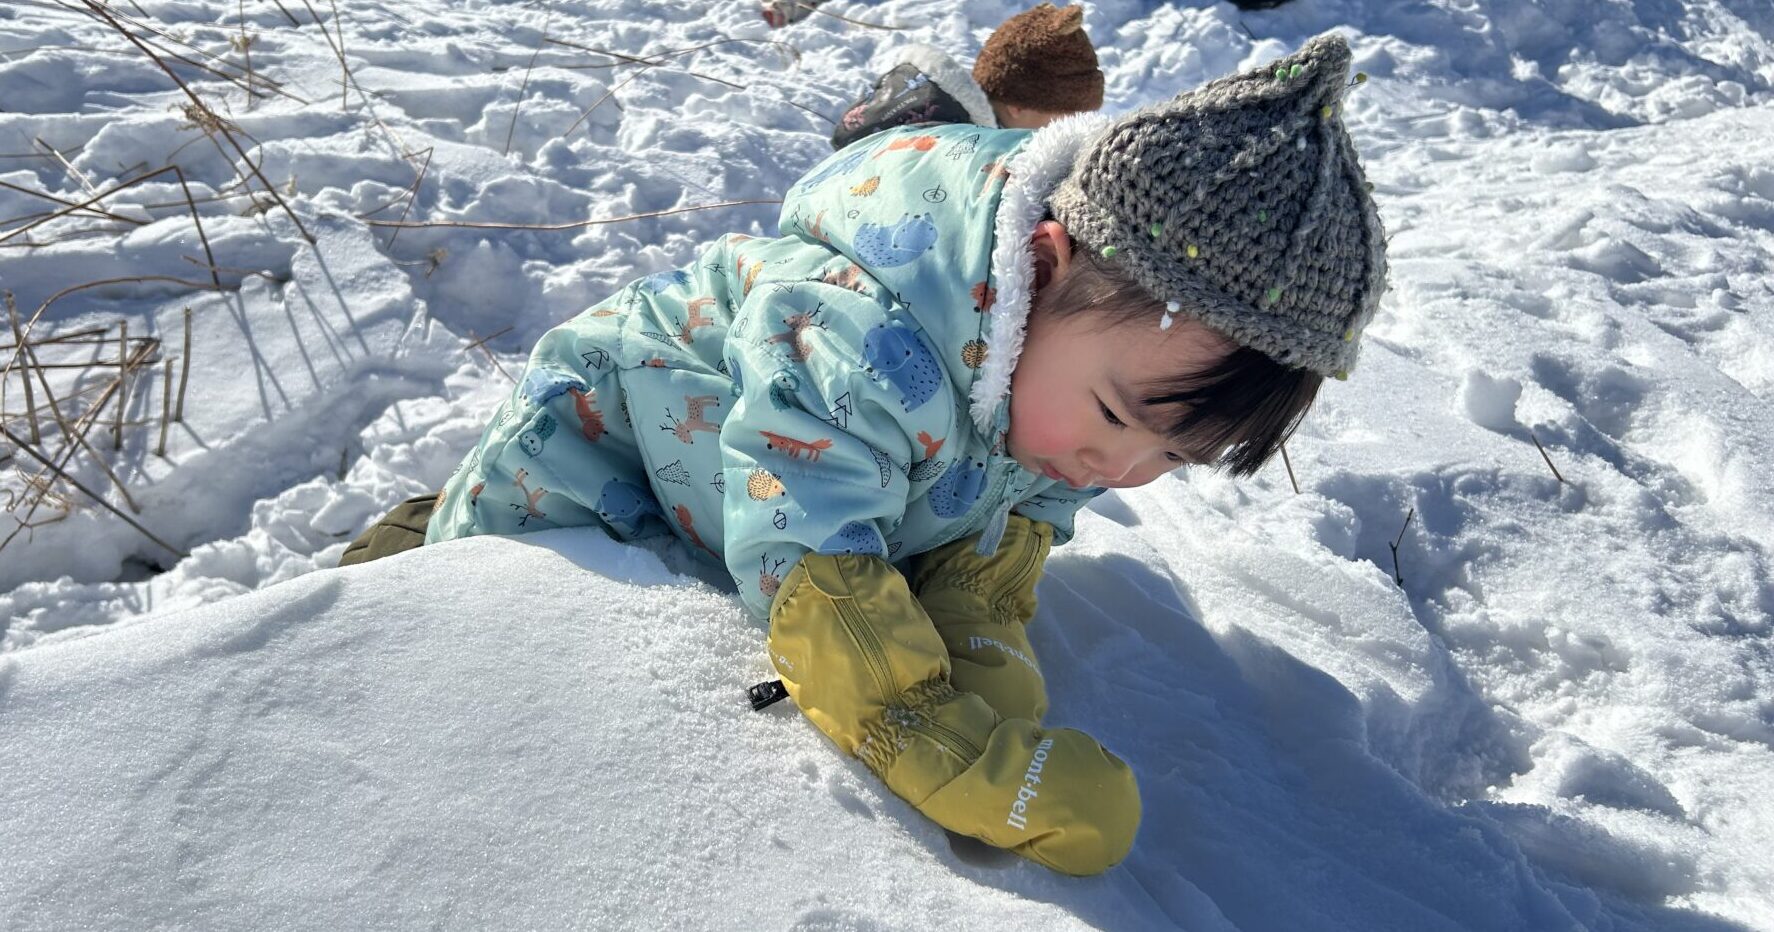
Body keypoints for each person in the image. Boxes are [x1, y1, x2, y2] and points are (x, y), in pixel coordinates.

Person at [343, 34, 1385, 876]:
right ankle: (361, 589)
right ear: (1038, 264)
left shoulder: (1044, 375)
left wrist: (980, 639)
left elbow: (995, 523)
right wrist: (962, 753)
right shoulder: (858, 341)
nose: (1123, 470)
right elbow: (819, 573)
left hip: (738, 493)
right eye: (1119, 417)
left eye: (1174, 456)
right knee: (449, 670)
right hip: (592, 481)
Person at [829, 3, 1103, 150]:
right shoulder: (961, 150)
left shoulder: (928, 106)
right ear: (1017, 106)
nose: (1071, 129)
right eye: (1064, 118)